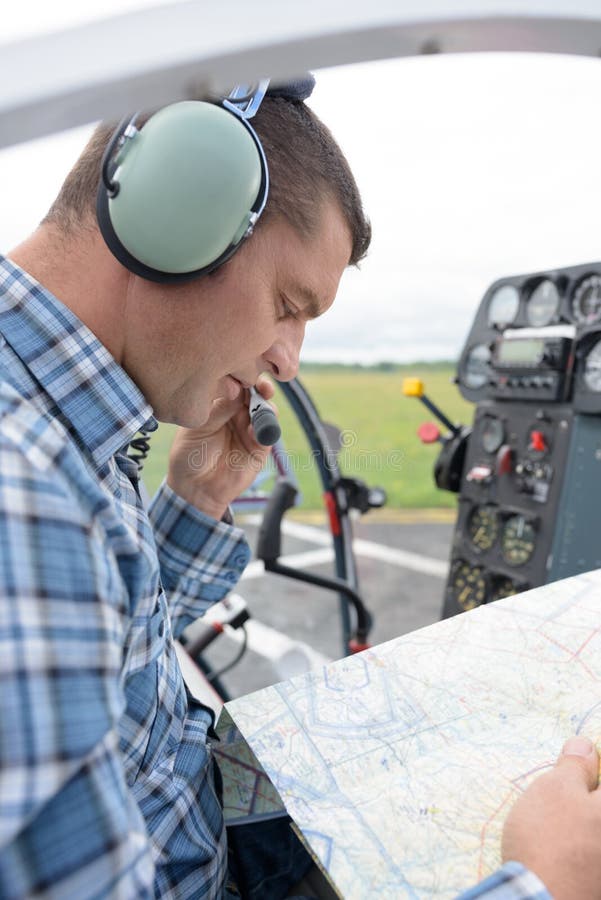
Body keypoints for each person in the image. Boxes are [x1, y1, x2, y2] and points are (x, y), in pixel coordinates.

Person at [0, 74, 599, 900]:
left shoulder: (58, 433)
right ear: (172, 218)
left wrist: (198, 504)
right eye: (288, 304)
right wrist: (544, 886)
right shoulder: (22, 493)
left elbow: (105, 669)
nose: (288, 357)